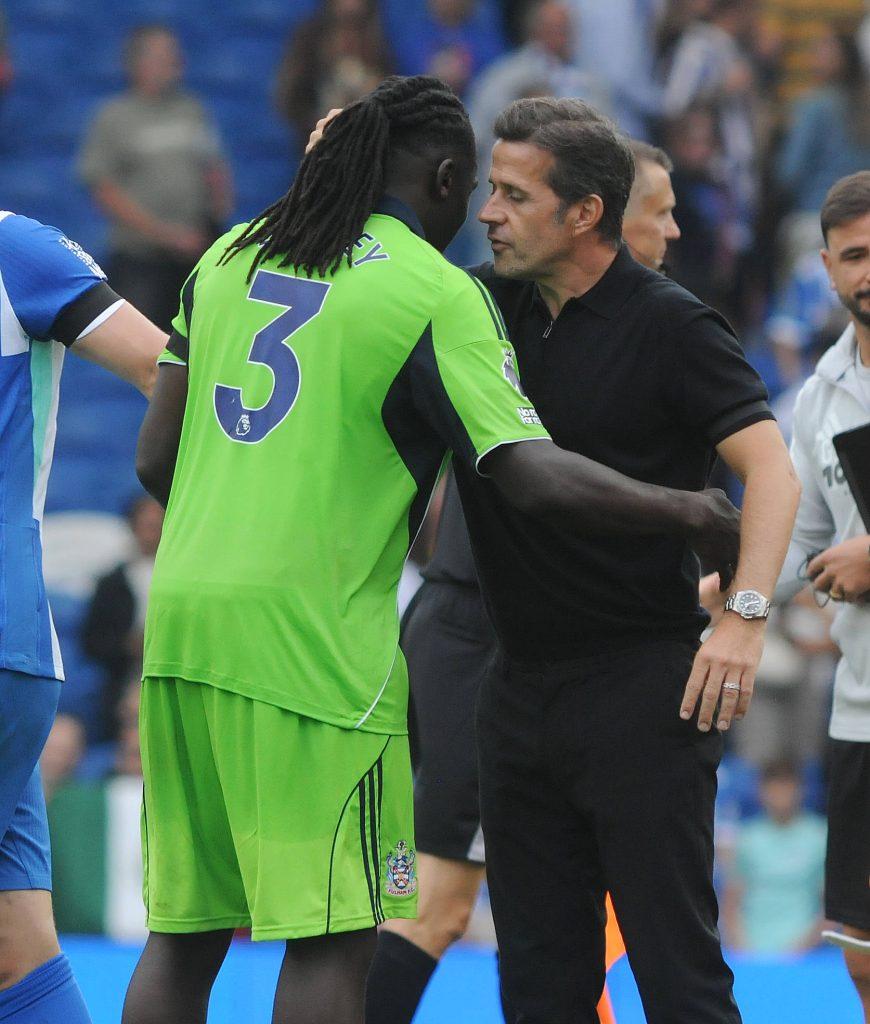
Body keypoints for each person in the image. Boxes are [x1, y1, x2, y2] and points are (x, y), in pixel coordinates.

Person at [124, 76, 742, 1024]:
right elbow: (528, 473)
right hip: (315, 648)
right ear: (449, 176)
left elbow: (156, 458)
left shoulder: (229, 254)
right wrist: (692, 511)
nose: (486, 213)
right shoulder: (429, 289)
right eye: (479, 190)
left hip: (180, 629)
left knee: (184, 937)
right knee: (334, 937)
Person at [457, 97, 798, 1024]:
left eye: (514, 195)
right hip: (516, 692)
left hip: (645, 691)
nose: (489, 212)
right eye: (491, 188)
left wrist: (744, 618)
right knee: (538, 989)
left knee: (676, 978)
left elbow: (772, 471)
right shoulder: (479, 310)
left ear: (583, 214)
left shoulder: (673, 324)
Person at [365, 137, 682, 1024]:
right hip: (484, 635)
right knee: (439, 899)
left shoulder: (603, 322)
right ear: (605, 217)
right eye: (660, 212)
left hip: (472, 626)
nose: (674, 230)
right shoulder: (517, 313)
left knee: (532, 903)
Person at [707, 170, 870, 1020]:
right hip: (860, 709)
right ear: (827, 267)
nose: (868, 271)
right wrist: (728, 590)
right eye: (853, 256)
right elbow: (799, 539)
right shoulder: (820, 393)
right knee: (864, 959)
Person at [0, 211, 165, 1024]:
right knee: (16, 944)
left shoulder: (13, 250)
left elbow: (172, 371)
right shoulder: (18, 248)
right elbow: (172, 371)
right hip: (12, 644)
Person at [78, 24, 232, 332]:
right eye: (163, 57)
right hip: (141, 260)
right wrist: (166, 235)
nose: (174, 64)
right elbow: (104, 190)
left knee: (202, 338)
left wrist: (217, 212)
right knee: (148, 346)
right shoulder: (114, 117)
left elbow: (214, 164)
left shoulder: (191, 110)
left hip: (196, 251)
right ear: (137, 64)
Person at [80, 493, 164, 740]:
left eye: (157, 526)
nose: (152, 532)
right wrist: (128, 645)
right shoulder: (112, 583)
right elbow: (93, 640)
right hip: (124, 676)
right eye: (146, 525)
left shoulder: (188, 580)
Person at [721, 759, 826, 954]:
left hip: (805, 956)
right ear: (761, 791)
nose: (781, 796)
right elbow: (731, 903)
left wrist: (800, 950)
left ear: (800, 790)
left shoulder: (820, 837)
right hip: (752, 951)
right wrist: (743, 949)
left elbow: (829, 910)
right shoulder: (747, 837)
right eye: (774, 789)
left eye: (786, 788)